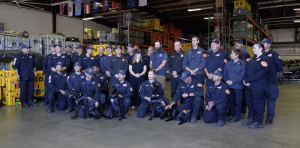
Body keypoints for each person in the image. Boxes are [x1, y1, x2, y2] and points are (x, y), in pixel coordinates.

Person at [242, 43, 269, 129]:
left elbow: (260, 74)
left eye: (255, 48)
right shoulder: (252, 59)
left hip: (258, 86)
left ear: (261, 48)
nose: (253, 50)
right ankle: (251, 118)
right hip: (249, 85)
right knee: (250, 103)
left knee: (258, 104)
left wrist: (247, 80)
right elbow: (246, 71)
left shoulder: (264, 60)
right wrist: (245, 80)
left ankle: (259, 121)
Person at [262, 38, 284, 124]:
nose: (262, 44)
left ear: (269, 45)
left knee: (271, 99)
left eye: (264, 43)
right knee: (261, 99)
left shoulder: (274, 55)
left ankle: (270, 117)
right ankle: (260, 115)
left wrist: (272, 71)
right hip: (261, 81)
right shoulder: (260, 55)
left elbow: (280, 67)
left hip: (270, 81)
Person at [223, 49, 246, 123]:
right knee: (230, 101)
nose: (230, 55)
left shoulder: (242, 63)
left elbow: (241, 75)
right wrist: (226, 80)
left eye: (232, 54)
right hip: (229, 86)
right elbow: (225, 73)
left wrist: (232, 81)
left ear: (237, 55)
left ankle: (236, 116)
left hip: (238, 86)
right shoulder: (229, 62)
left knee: (238, 102)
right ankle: (231, 115)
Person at [169, 41, 185, 105]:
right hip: (173, 76)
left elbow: (184, 65)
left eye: (177, 45)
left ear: (180, 46)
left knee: (182, 90)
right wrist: (173, 72)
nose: (175, 47)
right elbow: (170, 65)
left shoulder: (184, 54)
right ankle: (174, 105)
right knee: (173, 91)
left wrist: (177, 72)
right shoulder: (172, 54)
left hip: (181, 76)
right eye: (174, 45)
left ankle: (182, 105)